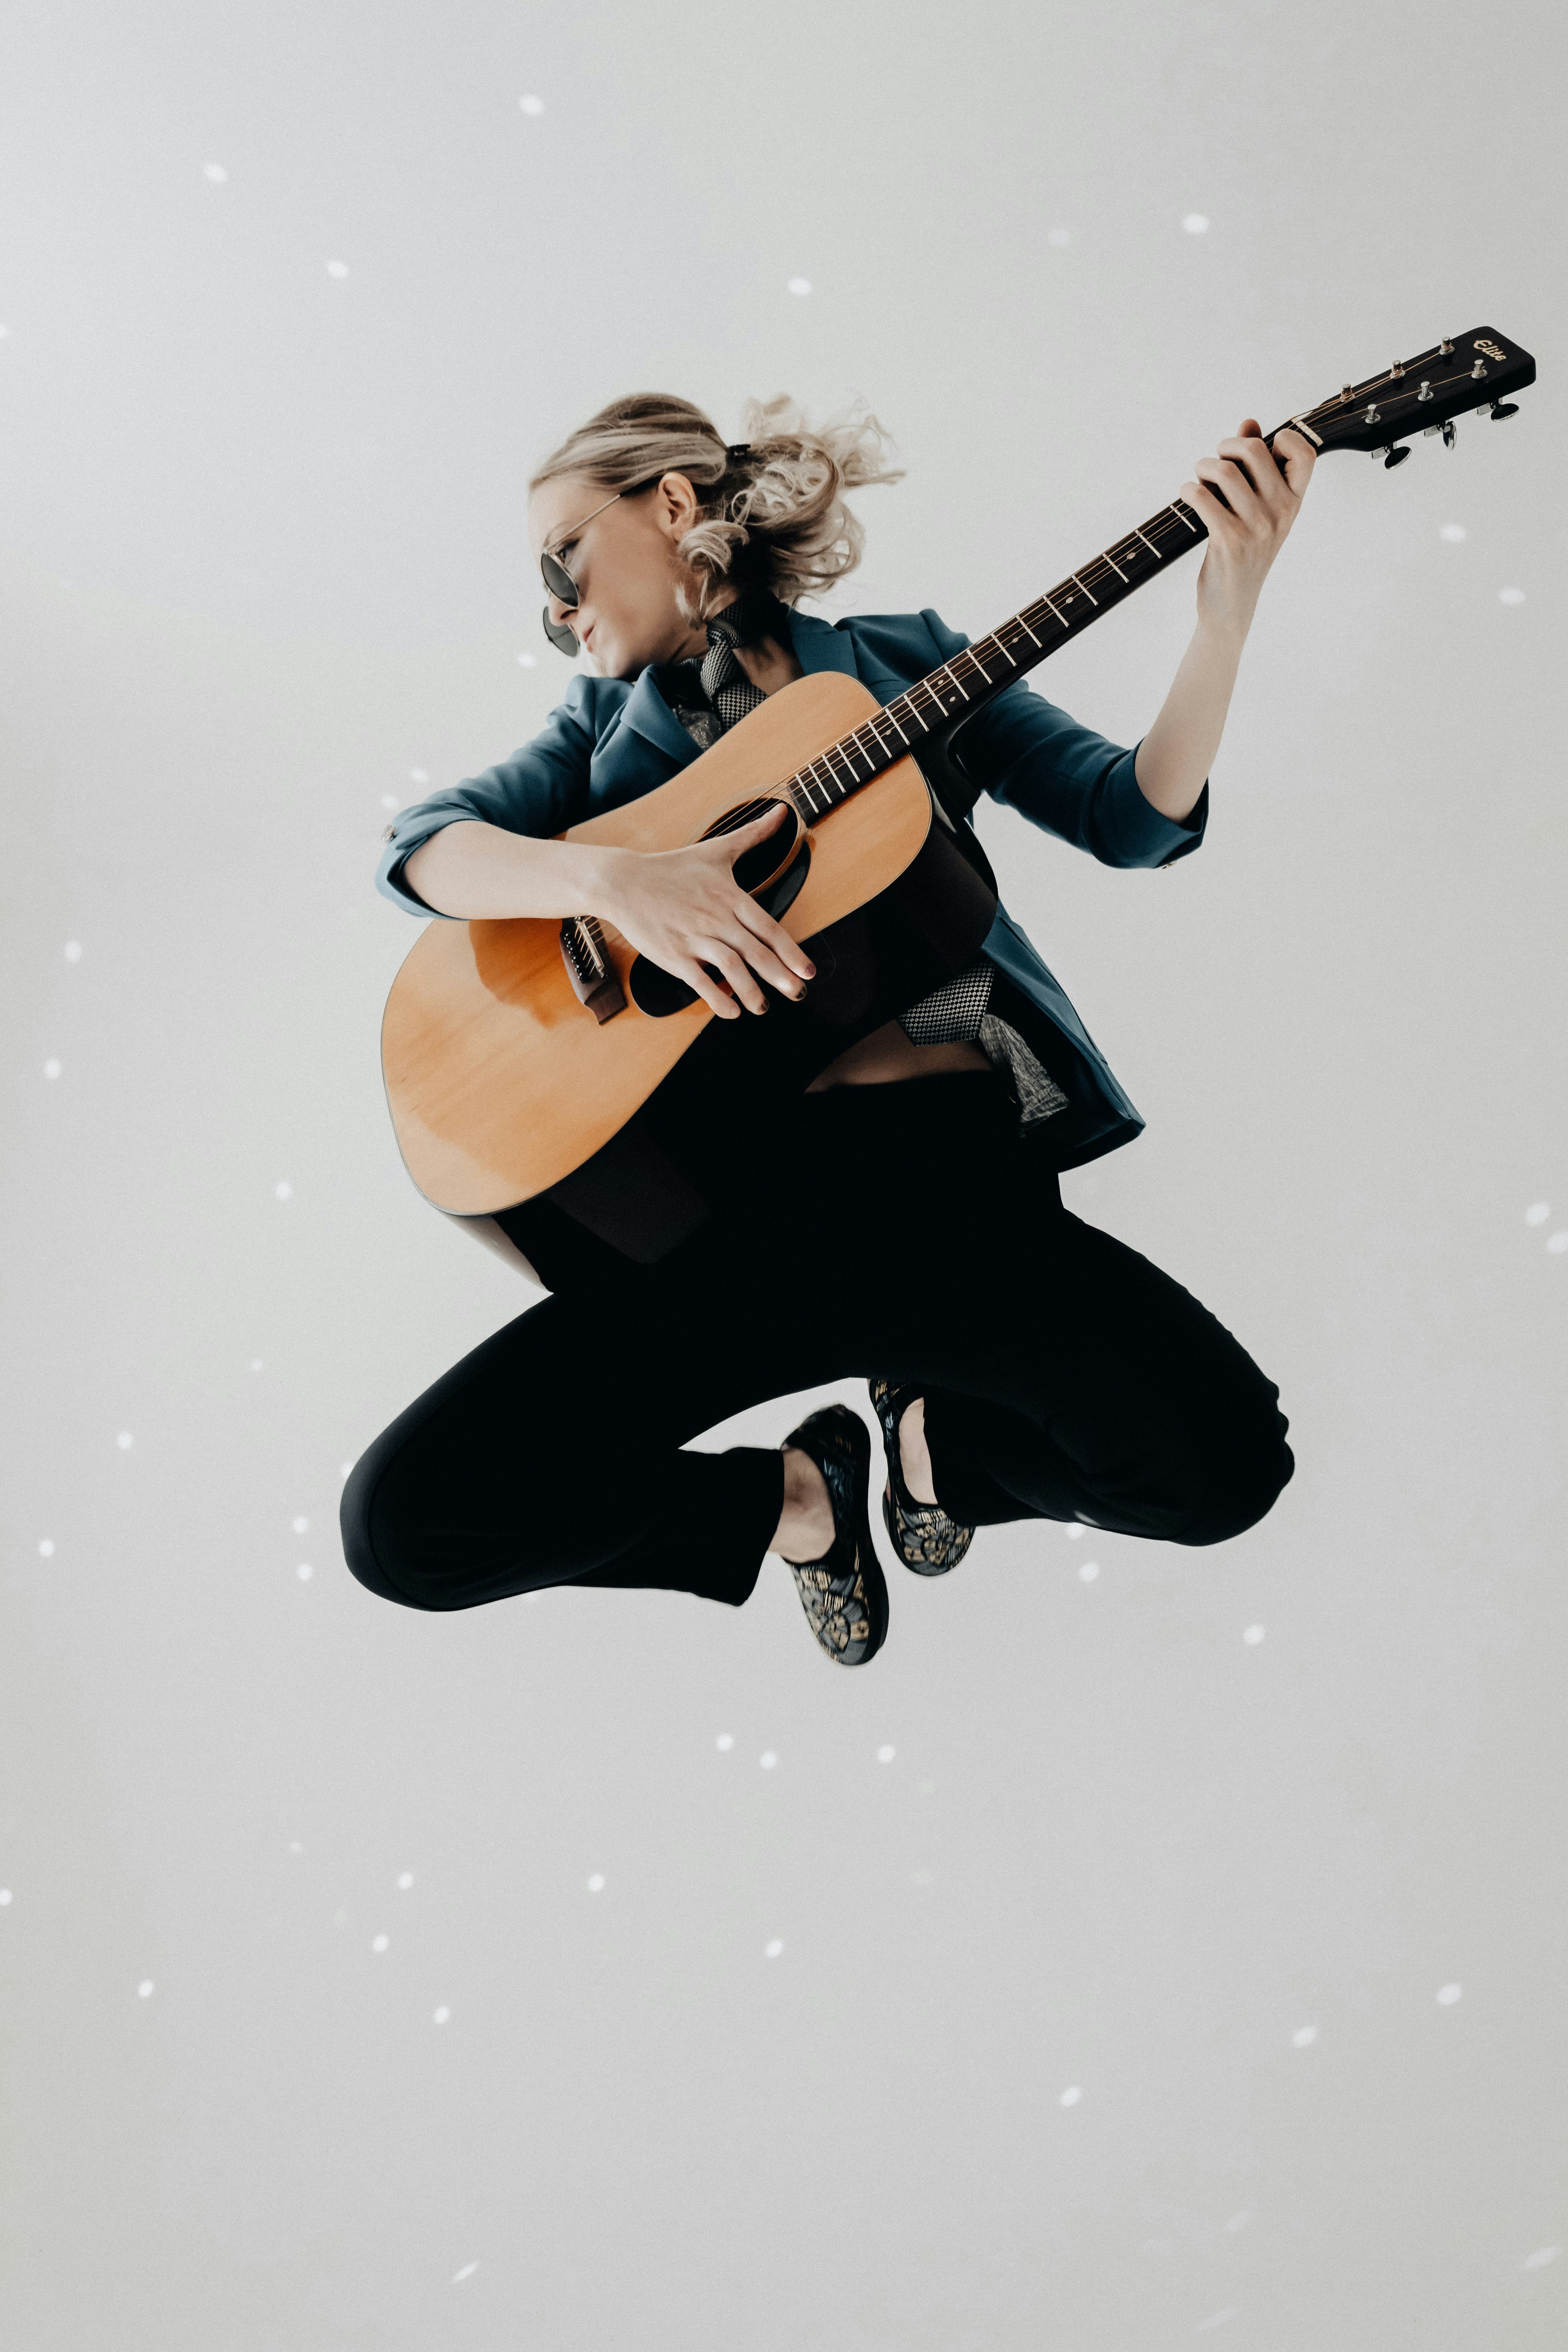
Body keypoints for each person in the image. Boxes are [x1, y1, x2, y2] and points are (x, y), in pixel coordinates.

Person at [340, 392, 1315, 1665]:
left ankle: (932, 1454)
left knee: (1222, 1470)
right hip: (716, 1228)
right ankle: (795, 1504)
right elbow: (422, 854)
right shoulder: (595, 738)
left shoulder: (905, 662)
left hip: (951, 1192)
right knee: (407, 1528)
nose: (558, 613)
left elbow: (1128, 818)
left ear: (672, 506)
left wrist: (1225, 609)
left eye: (559, 561)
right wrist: (614, 882)